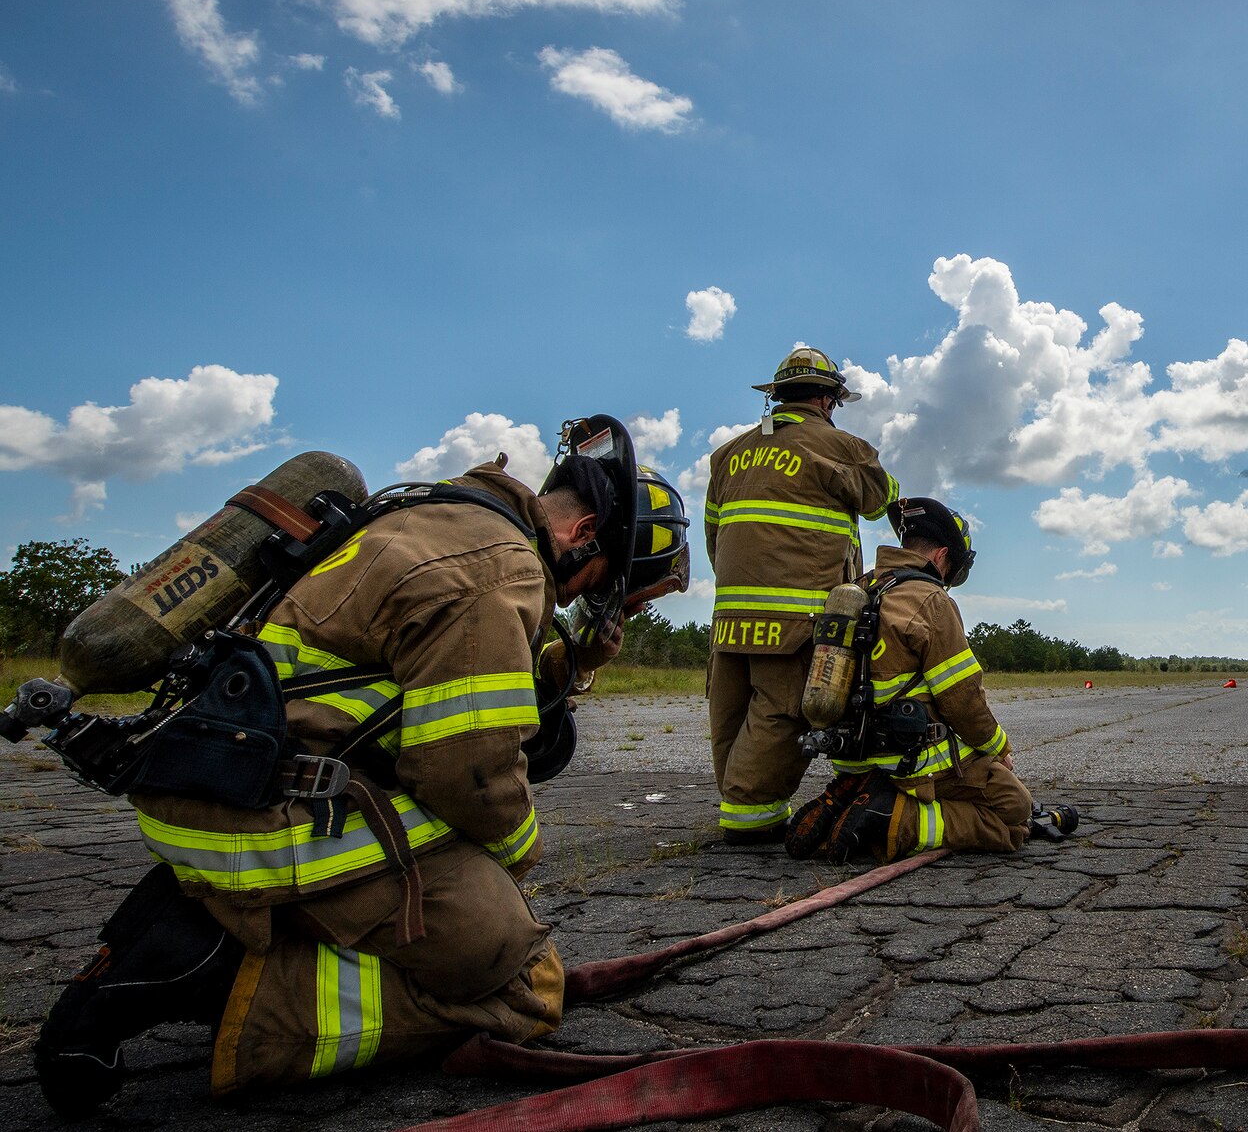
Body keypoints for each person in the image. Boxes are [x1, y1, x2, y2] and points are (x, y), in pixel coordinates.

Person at [34, 416, 690, 1114]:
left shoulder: (431, 516)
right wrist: (511, 858)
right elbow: (467, 775)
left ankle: (230, 923)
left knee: (471, 900)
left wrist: (575, 663)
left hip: (215, 789)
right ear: (583, 533)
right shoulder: (498, 568)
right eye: (595, 583)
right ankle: (212, 975)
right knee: (524, 982)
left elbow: (418, 685)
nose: (576, 601)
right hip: (270, 821)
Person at [786, 496, 1076, 863]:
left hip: (853, 758)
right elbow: (962, 699)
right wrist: (999, 749)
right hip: (909, 763)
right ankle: (895, 820)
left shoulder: (858, 590)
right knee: (1013, 813)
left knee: (1001, 802)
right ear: (941, 556)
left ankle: (853, 797)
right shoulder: (930, 599)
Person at [705, 347, 898, 844]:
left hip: (730, 615)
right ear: (828, 399)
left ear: (777, 396)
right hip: (797, 617)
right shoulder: (842, 446)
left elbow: (713, 536)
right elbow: (881, 499)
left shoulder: (727, 456)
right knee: (782, 709)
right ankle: (751, 820)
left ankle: (736, 800)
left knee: (732, 707)